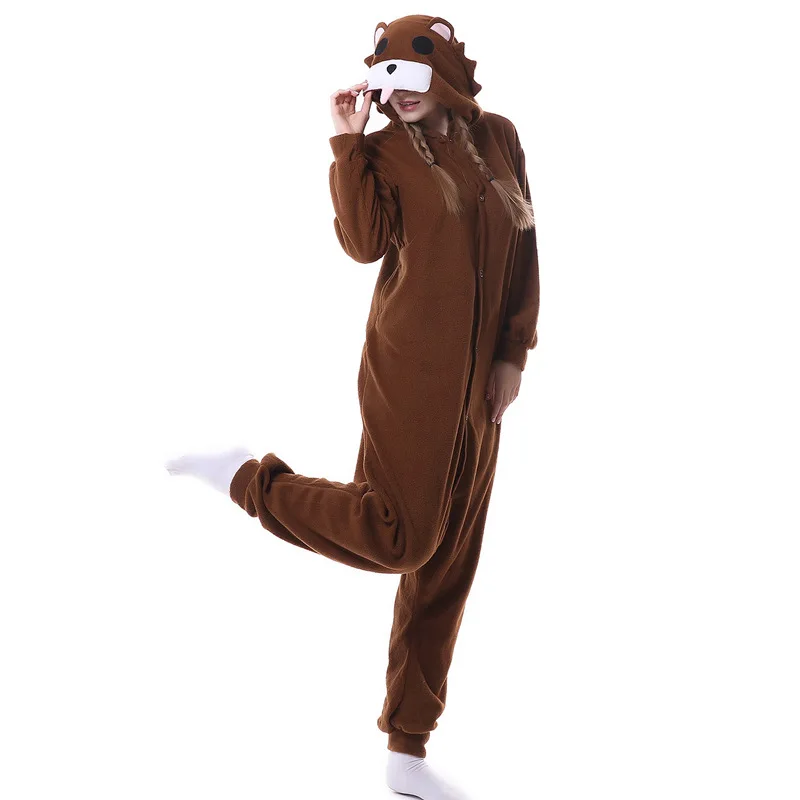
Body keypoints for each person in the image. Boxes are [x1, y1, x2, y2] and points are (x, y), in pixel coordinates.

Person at [165, 14, 539, 800]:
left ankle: (408, 751)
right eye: (384, 79)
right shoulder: (382, 152)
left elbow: (526, 249)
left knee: (447, 566)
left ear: (444, 71)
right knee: (398, 537)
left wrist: (514, 353)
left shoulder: (500, 138)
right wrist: (346, 143)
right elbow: (363, 244)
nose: (396, 95)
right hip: (410, 374)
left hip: (481, 389)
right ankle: (248, 479)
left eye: (411, 77)